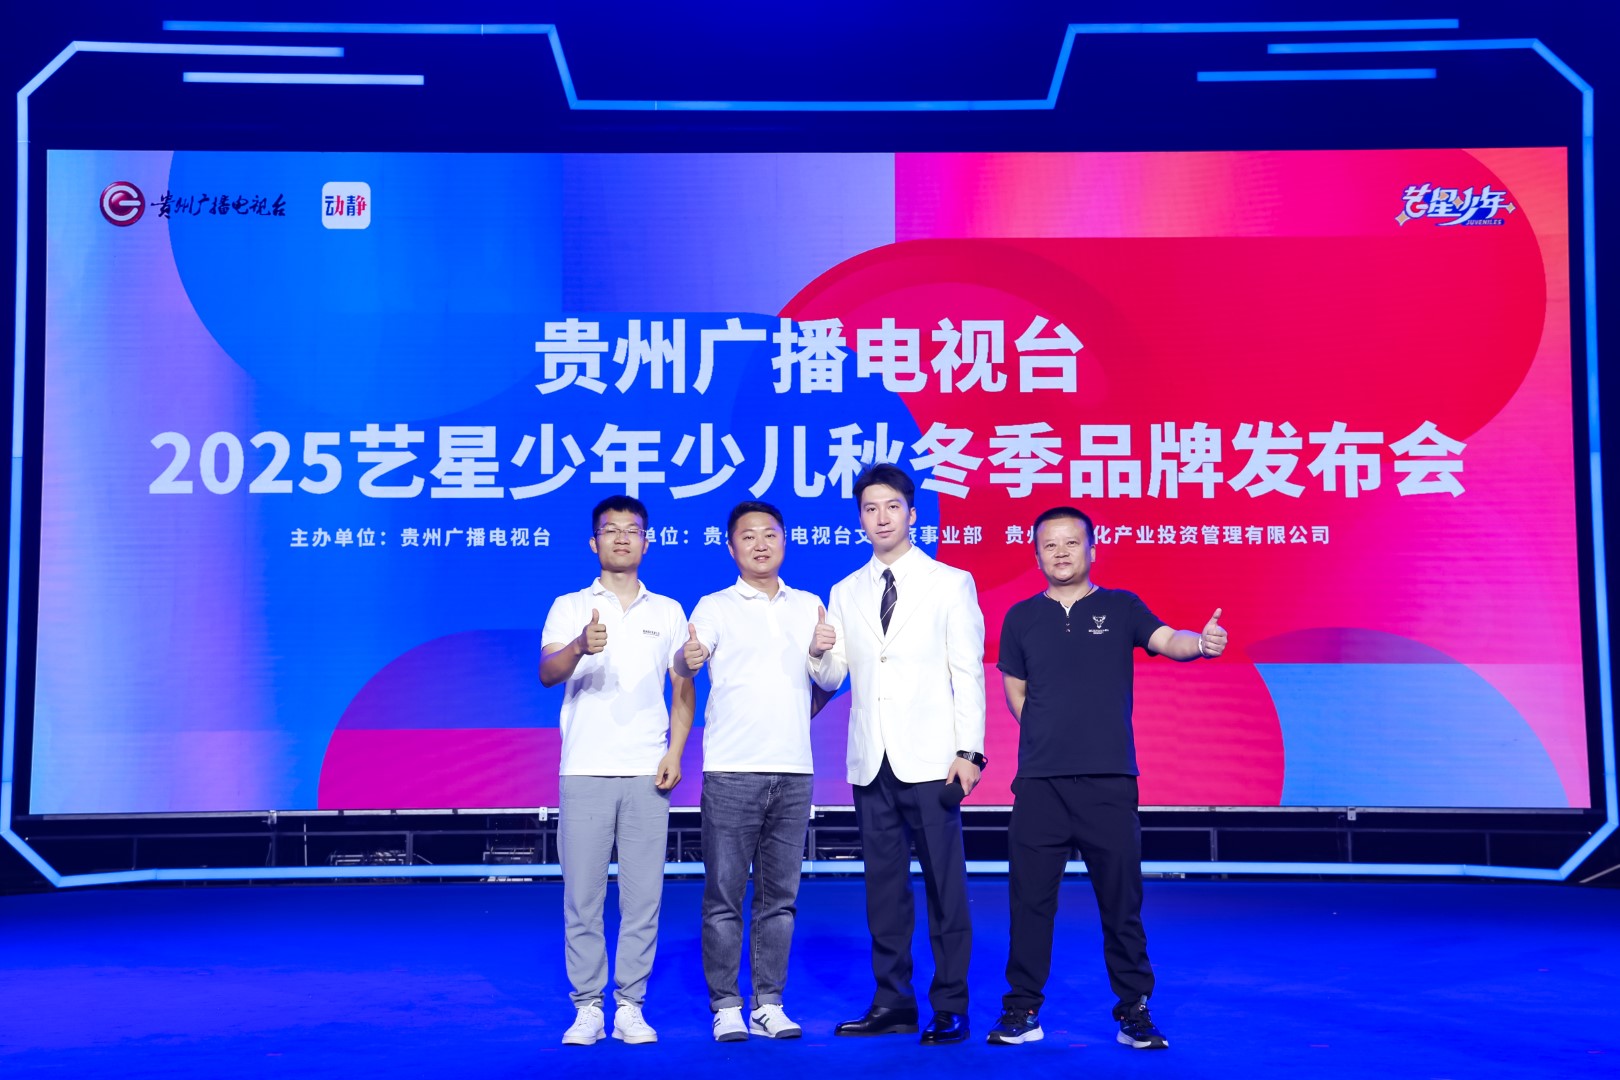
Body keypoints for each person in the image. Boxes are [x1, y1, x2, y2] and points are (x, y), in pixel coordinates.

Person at [985, 506, 1227, 1051]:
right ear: (1037, 555)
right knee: (1029, 904)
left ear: (1092, 550)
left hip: (1110, 782)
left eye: (1071, 542)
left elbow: (1169, 639)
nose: (1061, 552)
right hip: (1041, 784)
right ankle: (1022, 1009)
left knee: (1121, 904)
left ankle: (1134, 1010)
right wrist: (1050, 734)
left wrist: (1201, 643)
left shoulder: (1121, 607)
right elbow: (1015, 691)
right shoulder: (1021, 617)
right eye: (1050, 545)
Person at [825, 464, 986, 1046]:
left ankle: (951, 1005)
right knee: (883, 890)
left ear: (912, 514)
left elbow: (967, 672)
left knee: (946, 887)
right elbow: (835, 674)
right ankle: (892, 1002)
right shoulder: (844, 591)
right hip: (872, 760)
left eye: (891, 506)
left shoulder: (951, 582)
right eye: (870, 509)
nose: (881, 518)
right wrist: (818, 654)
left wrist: (970, 751)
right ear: (860, 520)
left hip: (934, 761)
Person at [676, 500, 846, 1043]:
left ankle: (768, 1003)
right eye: (747, 536)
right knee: (723, 897)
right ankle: (726, 1005)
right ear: (731, 547)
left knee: (780, 900)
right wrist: (689, 657)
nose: (759, 544)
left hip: (794, 770)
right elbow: (688, 658)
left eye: (769, 534)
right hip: (732, 770)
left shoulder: (809, 605)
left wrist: (820, 653)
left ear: (784, 541)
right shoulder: (716, 606)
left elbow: (831, 679)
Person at [539, 494, 695, 1047]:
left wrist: (676, 753)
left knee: (642, 899)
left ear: (647, 542)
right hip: (584, 769)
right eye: (611, 529)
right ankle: (588, 1008)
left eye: (633, 529)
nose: (623, 537)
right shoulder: (569, 606)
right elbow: (547, 672)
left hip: (647, 771)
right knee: (582, 898)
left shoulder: (668, 611)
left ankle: (630, 1005)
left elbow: (682, 689)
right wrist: (580, 645)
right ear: (594, 542)